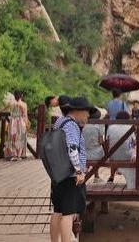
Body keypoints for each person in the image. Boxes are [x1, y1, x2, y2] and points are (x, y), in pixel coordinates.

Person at [50, 97, 91, 242]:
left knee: (58, 211)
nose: (88, 117)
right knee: (68, 213)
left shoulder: (59, 122)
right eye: (86, 113)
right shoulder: (71, 126)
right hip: (69, 174)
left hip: (57, 172)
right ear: (78, 112)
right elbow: (72, 148)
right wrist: (79, 171)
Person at [105, 111, 133, 183]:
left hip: (113, 156)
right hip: (127, 156)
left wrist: (107, 153)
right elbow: (134, 142)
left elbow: (107, 141)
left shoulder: (111, 127)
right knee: (130, 151)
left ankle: (111, 176)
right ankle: (130, 177)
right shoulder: (130, 127)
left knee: (113, 152)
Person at [2, 91, 28, 161]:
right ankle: (18, 155)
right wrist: (26, 122)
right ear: (21, 96)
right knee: (20, 137)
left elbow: (4, 109)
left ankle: (15, 155)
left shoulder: (12, 103)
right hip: (20, 121)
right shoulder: (23, 104)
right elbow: (25, 115)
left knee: (13, 137)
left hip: (13, 122)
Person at [82, 107, 105, 183]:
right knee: (97, 150)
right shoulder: (98, 126)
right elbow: (101, 141)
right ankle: (96, 176)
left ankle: (85, 171)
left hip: (83, 154)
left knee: (88, 151)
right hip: (96, 155)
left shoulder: (82, 125)